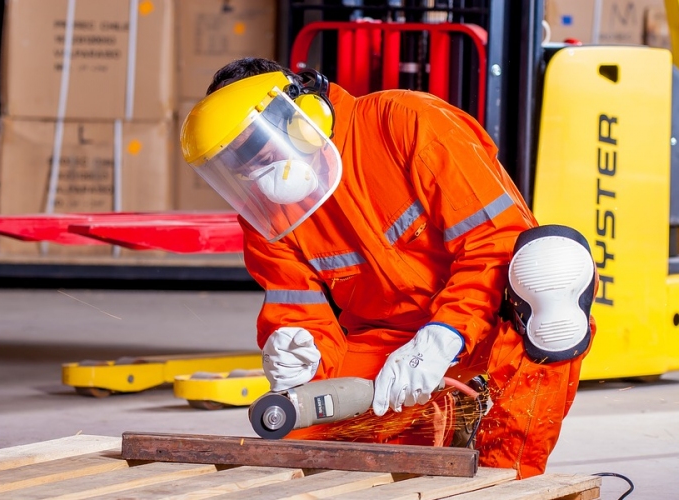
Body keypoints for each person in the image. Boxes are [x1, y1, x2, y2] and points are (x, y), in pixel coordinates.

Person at [180, 57, 597, 478]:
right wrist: (296, 350)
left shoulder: (408, 122)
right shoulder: (267, 216)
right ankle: (451, 413)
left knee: (551, 273)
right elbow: (297, 307)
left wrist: (445, 334)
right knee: (295, 429)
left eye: (254, 148)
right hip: (390, 342)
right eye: (236, 163)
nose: (252, 171)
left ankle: (505, 478)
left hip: (490, 318)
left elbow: (496, 243)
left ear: (302, 115)